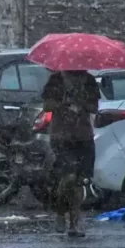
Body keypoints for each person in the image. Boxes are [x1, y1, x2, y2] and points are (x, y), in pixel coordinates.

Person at [41, 70, 99, 237]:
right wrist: (63, 102)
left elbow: (94, 108)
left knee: (80, 181)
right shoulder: (56, 80)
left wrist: (81, 102)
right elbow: (47, 106)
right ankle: (60, 212)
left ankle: (75, 222)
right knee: (69, 177)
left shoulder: (88, 80)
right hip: (62, 136)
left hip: (83, 136)